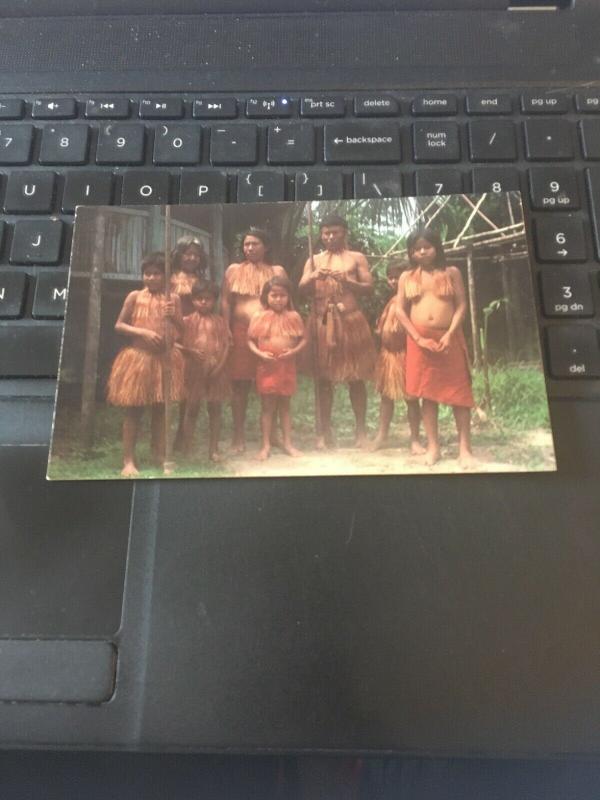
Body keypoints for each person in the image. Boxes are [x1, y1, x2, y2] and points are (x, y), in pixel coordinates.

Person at [395, 227, 475, 468]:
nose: (422, 252)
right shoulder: (407, 277)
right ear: (411, 253)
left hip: (447, 338)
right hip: (420, 341)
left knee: (459, 395)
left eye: (427, 247)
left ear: (437, 248)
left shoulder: (451, 272)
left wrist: (450, 334)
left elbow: (461, 305)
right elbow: (400, 310)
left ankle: (465, 449)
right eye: (416, 249)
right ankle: (433, 446)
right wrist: (418, 339)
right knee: (427, 395)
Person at [299, 214, 375, 449]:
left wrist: (348, 282)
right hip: (321, 322)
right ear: (321, 235)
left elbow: (369, 288)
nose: (330, 237)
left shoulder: (356, 258)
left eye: (335, 232)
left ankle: (360, 432)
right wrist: (311, 277)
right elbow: (301, 289)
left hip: (350, 321)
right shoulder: (314, 259)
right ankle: (324, 433)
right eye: (326, 233)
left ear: (344, 233)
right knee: (323, 379)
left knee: (356, 378)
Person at [107, 251, 184, 477]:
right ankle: (128, 460)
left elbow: (182, 331)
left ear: (166, 277)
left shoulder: (174, 299)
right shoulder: (134, 297)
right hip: (138, 358)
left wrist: (175, 316)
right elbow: (119, 325)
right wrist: (143, 331)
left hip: (165, 360)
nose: (151, 278)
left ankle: (159, 454)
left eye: (156, 274)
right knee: (133, 411)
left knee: (161, 411)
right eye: (147, 274)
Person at [221, 227, 287, 453]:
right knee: (240, 384)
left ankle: (273, 435)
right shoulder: (233, 270)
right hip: (240, 331)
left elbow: (288, 301)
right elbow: (226, 302)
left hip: (272, 334)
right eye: (246, 244)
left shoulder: (276, 270)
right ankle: (238, 437)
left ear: (266, 247)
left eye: (254, 244)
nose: (249, 248)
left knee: (273, 385)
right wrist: (226, 328)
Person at [247, 276, 307, 461]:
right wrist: (260, 354)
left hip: (287, 365)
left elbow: (304, 339)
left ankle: (288, 442)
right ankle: (265, 444)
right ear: (266, 297)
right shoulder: (259, 316)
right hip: (267, 366)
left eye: (282, 295)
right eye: (274, 295)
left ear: (289, 297)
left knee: (285, 405)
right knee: (267, 406)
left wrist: (294, 351)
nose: (278, 299)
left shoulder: (294, 316)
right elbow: (250, 339)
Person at [370, 259, 424, 454]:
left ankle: (415, 439)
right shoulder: (392, 300)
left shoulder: (410, 300)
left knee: (411, 399)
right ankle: (382, 435)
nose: (393, 281)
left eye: (397, 277)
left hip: (406, 355)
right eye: (390, 277)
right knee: (386, 398)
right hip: (388, 356)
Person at [176, 280, 230, 463]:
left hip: (216, 369)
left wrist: (220, 366)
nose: (204, 302)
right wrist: (189, 351)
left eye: (208, 299)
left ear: (215, 300)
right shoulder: (186, 321)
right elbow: (174, 342)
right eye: (199, 299)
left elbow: (225, 346)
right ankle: (187, 448)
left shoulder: (221, 322)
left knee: (215, 409)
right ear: (193, 300)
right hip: (193, 369)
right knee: (191, 408)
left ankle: (213, 449)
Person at [170, 236, 207, 316]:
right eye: (188, 254)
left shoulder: (201, 281)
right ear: (179, 255)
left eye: (197, 255)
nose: (192, 258)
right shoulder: (169, 278)